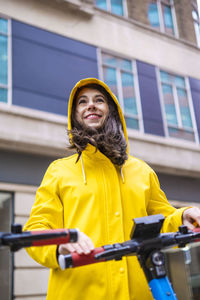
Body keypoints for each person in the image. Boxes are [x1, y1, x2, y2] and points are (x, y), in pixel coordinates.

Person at [24, 78, 200, 300]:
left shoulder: (141, 170)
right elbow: (37, 227)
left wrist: (183, 216)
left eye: (99, 100)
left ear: (112, 111)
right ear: (74, 114)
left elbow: (163, 220)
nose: (91, 105)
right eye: (82, 101)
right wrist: (61, 244)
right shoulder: (59, 171)